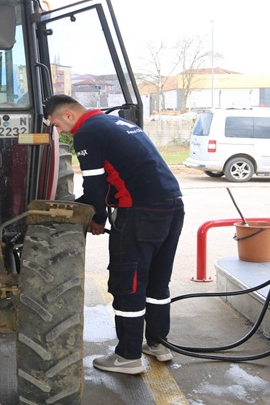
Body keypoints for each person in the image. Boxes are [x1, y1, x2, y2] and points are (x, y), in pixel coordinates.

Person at [44, 94, 184, 375]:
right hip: (172, 205)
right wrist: (98, 211)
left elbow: (95, 188)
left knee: (127, 283)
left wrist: (96, 218)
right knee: (157, 282)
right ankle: (159, 344)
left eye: (56, 124)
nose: (59, 131)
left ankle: (128, 356)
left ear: (68, 115)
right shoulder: (117, 123)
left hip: (139, 212)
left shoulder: (87, 132)